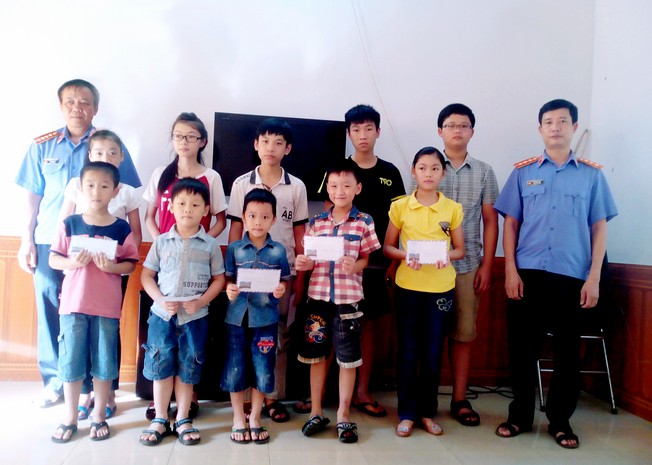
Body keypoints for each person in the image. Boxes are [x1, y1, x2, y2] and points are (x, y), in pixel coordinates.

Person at [493, 99, 618, 449]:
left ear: (574, 127)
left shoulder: (592, 175)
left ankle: (560, 421)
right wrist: (510, 269)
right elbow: (510, 224)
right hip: (527, 274)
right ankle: (519, 416)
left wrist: (594, 277)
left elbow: (599, 228)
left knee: (567, 352)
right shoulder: (523, 172)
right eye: (549, 122)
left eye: (562, 121)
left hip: (572, 276)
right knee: (521, 349)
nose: (555, 127)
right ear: (540, 129)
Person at [15, 78, 141, 408]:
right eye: (70, 101)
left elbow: (126, 196)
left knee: (101, 316)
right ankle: (55, 380)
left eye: (84, 102)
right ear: (61, 106)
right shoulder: (42, 146)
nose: (77, 107)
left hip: (104, 247)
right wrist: (27, 238)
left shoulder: (109, 144)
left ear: (95, 108)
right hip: (51, 240)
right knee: (52, 310)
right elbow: (33, 195)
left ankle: (98, 387)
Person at [317, 104, 406, 417]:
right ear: (348, 133)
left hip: (375, 262)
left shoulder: (390, 172)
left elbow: (398, 221)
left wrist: (393, 262)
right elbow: (327, 214)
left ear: (378, 132)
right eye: (356, 129)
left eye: (369, 128)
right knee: (330, 323)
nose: (363, 135)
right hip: (336, 266)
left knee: (366, 325)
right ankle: (320, 396)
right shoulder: (337, 168)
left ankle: (362, 391)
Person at [142, 112, 228, 419]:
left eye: (191, 136)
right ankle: (160, 403)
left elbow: (220, 220)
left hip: (196, 267)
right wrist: (164, 244)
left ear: (202, 141)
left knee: (191, 342)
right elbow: (149, 217)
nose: (184, 141)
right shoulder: (161, 174)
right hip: (165, 264)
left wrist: (199, 245)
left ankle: (188, 400)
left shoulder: (211, 177)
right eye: (178, 135)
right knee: (161, 341)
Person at [49, 162, 139, 442]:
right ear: (80, 188)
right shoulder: (70, 223)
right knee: (70, 361)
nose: (96, 192)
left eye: (104, 186)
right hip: (72, 305)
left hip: (106, 308)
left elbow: (130, 263)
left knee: (104, 361)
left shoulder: (121, 228)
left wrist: (112, 268)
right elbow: (53, 259)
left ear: (115, 191)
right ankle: (70, 416)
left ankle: (99, 414)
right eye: (90, 185)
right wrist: (73, 263)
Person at [227, 118, 309, 423]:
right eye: (265, 141)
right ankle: (249, 401)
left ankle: (273, 397)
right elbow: (235, 231)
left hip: (280, 277)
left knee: (278, 336)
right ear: (256, 145)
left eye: (278, 142)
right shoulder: (241, 184)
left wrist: (299, 278)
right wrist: (231, 274)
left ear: (288, 149)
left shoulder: (296, 186)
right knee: (245, 335)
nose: (270, 148)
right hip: (245, 275)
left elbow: (300, 235)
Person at [296, 162, 381, 444]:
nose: (339, 191)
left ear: (358, 188)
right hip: (318, 298)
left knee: (348, 359)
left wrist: (355, 266)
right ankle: (316, 412)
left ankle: (344, 414)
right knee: (316, 357)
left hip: (348, 301)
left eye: (346, 186)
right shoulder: (316, 222)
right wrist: (304, 263)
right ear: (328, 189)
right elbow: (310, 261)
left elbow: (366, 258)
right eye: (333, 186)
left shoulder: (364, 221)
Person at [383, 147, 465, 438]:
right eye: (422, 168)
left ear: (443, 173)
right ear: (413, 171)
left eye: (434, 168)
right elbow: (388, 247)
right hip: (408, 287)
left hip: (441, 288)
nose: (428, 174)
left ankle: (428, 413)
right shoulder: (401, 206)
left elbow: (460, 249)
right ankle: (406, 414)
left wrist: (446, 255)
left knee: (432, 353)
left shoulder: (452, 208)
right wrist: (406, 256)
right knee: (407, 351)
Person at [139, 178, 226, 446]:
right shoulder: (161, 242)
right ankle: (160, 418)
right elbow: (146, 276)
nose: (188, 209)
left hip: (195, 319)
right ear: (171, 207)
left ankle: (183, 418)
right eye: (182, 203)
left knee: (189, 367)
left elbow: (219, 280)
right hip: (162, 317)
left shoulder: (210, 245)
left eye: (195, 204)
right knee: (161, 365)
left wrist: (201, 302)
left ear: (206, 210)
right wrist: (160, 299)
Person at [437, 103, 499, 426]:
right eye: (451, 125)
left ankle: (460, 399)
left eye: (463, 125)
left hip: (468, 265)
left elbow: (491, 221)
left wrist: (487, 266)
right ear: (440, 131)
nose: (457, 130)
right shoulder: (427, 165)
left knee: (463, 334)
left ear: (472, 131)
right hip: (429, 270)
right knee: (430, 335)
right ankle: (425, 399)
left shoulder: (485, 171)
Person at [222, 188, 292, 444]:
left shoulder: (278, 251)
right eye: (252, 216)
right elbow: (228, 279)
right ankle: (238, 418)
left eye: (264, 217)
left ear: (273, 219)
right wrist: (229, 289)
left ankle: (255, 417)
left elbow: (284, 281)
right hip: (236, 318)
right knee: (235, 367)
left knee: (263, 368)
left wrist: (280, 289)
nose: (258, 222)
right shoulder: (234, 249)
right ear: (243, 217)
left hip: (266, 320)